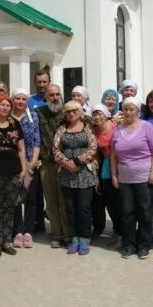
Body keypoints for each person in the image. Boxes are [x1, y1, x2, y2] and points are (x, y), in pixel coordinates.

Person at [110, 97, 153, 259]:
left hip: (145, 178)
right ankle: (129, 244)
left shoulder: (146, 127)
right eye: (126, 109)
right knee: (127, 213)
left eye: (132, 109)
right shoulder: (117, 129)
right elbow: (113, 155)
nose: (129, 112)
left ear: (138, 111)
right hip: (125, 178)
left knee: (145, 212)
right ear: (122, 111)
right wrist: (114, 175)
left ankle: (144, 245)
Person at [53, 100, 99, 255]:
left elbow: (93, 148)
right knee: (70, 208)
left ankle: (85, 238)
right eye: (68, 111)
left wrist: (78, 161)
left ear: (80, 112)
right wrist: (67, 163)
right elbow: (56, 149)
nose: (71, 113)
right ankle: (73, 237)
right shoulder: (61, 129)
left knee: (84, 207)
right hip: (67, 173)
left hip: (84, 172)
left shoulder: (88, 128)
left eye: (74, 111)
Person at [0, 94, 27, 257]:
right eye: (2, 105)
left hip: (13, 171)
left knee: (10, 207)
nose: (5, 108)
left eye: (8, 105)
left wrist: (23, 170)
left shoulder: (15, 124)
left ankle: (7, 241)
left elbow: (21, 149)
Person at [38, 84, 71, 248]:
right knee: (51, 201)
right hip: (47, 164)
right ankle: (56, 234)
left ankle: (67, 234)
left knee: (64, 201)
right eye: (51, 95)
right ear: (46, 96)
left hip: (65, 163)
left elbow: (87, 120)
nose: (55, 97)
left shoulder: (68, 113)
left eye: (58, 94)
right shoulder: (39, 113)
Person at [11, 89, 41, 249]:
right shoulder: (7, 117)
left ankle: (28, 231)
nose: (21, 101)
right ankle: (17, 231)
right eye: (18, 98)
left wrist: (33, 161)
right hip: (12, 165)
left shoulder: (33, 116)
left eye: (24, 99)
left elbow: (37, 140)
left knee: (30, 198)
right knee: (15, 198)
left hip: (30, 162)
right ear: (12, 100)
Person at [91, 104, 122, 241]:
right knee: (110, 201)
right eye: (94, 114)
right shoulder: (94, 131)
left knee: (121, 199)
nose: (97, 117)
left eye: (100, 114)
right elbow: (97, 153)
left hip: (120, 163)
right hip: (106, 165)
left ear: (106, 115)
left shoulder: (116, 125)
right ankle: (117, 228)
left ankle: (124, 230)